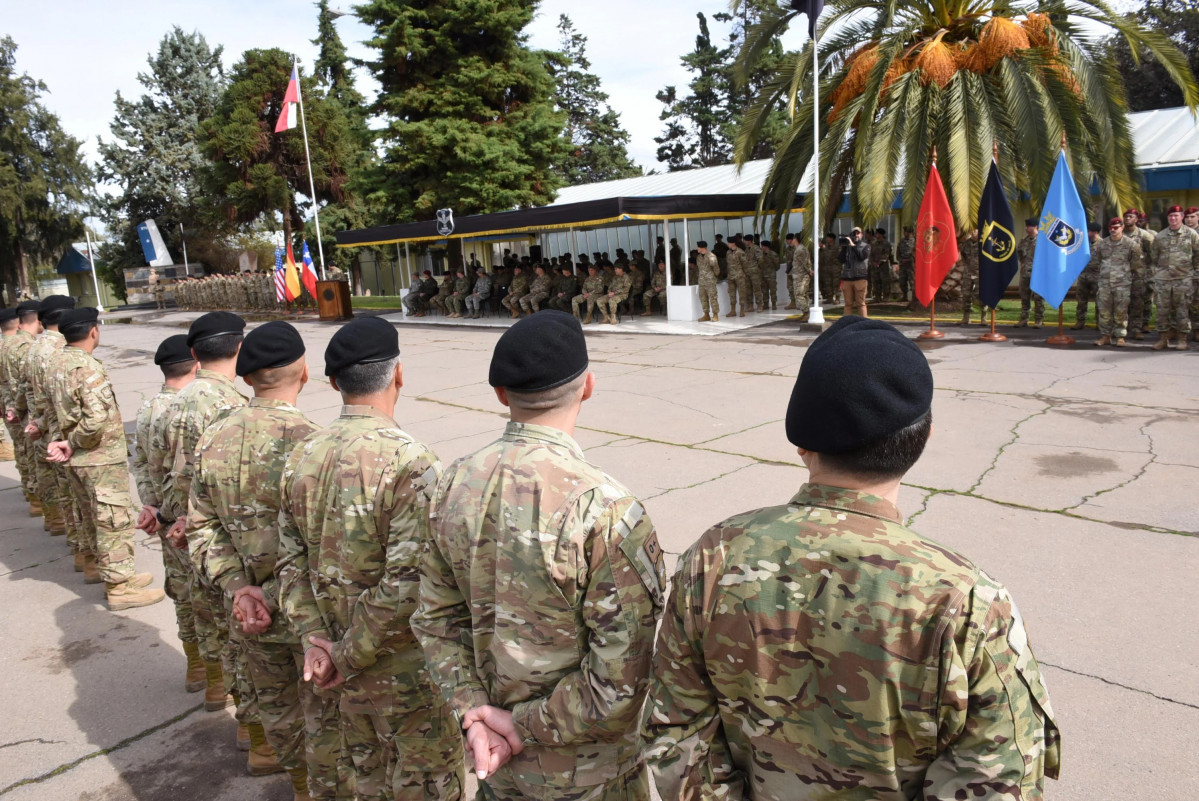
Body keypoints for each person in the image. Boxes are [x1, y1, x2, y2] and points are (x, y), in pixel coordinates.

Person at [644, 315, 1062, 800]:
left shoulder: (712, 558)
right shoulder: (964, 601)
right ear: (923, 439)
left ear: (802, 444)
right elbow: (997, 780)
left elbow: (677, 730)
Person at [413, 311, 665, 801]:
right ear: (588, 386)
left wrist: (474, 713)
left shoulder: (452, 484)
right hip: (589, 777)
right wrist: (520, 724)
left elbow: (435, 620)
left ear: (502, 394)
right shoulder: (606, 510)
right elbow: (621, 680)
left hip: (495, 761)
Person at [277, 317, 464, 800]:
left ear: (334, 382)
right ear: (399, 374)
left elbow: (289, 563)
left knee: (366, 781)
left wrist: (316, 641)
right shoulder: (412, 462)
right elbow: (407, 583)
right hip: (402, 672)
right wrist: (344, 653)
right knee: (425, 783)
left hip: (334, 665)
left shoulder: (303, 454)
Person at [189, 322, 334, 795]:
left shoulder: (214, 438)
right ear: (305, 372)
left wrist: (240, 589)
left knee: (278, 710)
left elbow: (202, 526)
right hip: (308, 613)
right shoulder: (314, 443)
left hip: (250, 613)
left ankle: (298, 785)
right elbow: (325, 545)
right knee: (326, 714)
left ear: (247, 378)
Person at [159, 312, 248, 722]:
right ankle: (257, 737)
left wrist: (171, 517)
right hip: (221, 536)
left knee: (205, 616)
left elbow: (160, 466)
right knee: (239, 633)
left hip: (183, 531)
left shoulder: (173, 403)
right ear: (240, 347)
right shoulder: (233, 407)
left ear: (195, 354)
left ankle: (214, 686)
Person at [46, 308, 166, 610]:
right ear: (93, 332)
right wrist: (73, 442)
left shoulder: (57, 362)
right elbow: (96, 418)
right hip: (97, 457)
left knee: (92, 517)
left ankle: (110, 573)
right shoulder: (87, 367)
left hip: (80, 461)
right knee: (113, 521)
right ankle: (120, 587)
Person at [132, 335, 203, 690]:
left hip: (163, 520)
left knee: (182, 594)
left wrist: (152, 506)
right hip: (196, 522)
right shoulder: (195, 408)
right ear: (196, 362)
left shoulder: (147, 410)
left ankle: (197, 669)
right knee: (211, 604)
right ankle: (220, 682)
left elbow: (142, 463)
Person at [1, 301, 42, 519]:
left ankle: (30, 491)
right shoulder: (27, 346)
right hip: (25, 409)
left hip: (10, 407)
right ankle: (39, 499)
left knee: (22, 450)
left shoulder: (2, 346)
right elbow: (29, 384)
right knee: (35, 456)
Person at [1149, 204, 1199, 350]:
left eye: (1176, 215)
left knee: (1182, 310)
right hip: (1163, 280)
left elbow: (1197, 255)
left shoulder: (1191, 234)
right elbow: (1154, 257)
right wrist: (1157, 274)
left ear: (1182, 217)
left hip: (1183, 279)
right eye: (1171, 216)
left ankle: (1182, 339)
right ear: (1168, 218)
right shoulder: (1160, 236)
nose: (1173, 218)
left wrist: (1193, 274)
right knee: (1162, 311)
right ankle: (1163, 339)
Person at [1093, 217, 1141, 347]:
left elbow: (1135, 264)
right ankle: (1105, 336)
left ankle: (1120, 336)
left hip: (1122, 283)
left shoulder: (1131, 244)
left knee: (1121, 310)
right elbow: (1098, 261)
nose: (1113, 230)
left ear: (1122, 227)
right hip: (1105, 283)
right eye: (1111, 228)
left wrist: (1123, 274)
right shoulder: (1102, 244)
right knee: (1104, 311)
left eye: (1116, 227)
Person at [1018, 217, 1046, 327]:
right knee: (1024, 297)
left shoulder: (1042, 241)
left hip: (1038, 274)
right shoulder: (1023, 241)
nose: (1026, 228)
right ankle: (1024, 319)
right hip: (1025, 273)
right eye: (1026, 226)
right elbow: (1020, 255)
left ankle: (1038, 320)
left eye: (1028, 226)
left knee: (1038, 298)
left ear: (1035, 227)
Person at [1074, 222, 1103, 329]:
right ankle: (1080, 321)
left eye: (1088, 231)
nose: (1086, 233)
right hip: (1083, 276)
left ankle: (1100, 323)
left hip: (1097, 276)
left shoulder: (1103, 245)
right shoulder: (1083, 244)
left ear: (1095, 232)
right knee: (1081, 300)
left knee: (1099, 301)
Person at [840, 227, 871, 317]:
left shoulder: (866, 246)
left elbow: (861, 257)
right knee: (848, 304)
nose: (856, 235)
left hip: (860, 278)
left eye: (858, 233)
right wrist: (844, 248)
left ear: (861, 234)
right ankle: (846, 325)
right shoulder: (848, 247)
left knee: (860, 303)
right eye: (854, 233)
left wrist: (853, 246)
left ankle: (864, 324)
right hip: (847, 278)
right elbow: (841, 260)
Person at [957, 229, 979, 325]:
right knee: (966, 295)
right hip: (968, 273)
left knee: (981, 295)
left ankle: (984, 317)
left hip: (979, 273)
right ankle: (966, 317)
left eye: (975, 230)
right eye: (972, 230)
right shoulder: (966, 244)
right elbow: (963, 256)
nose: (973, 232)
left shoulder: (984, 243)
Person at [695, 240, 719, 322]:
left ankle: (715, 315)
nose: (697, 248)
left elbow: (716, 269)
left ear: (703, 248)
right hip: (701, 281)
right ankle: (706, 314)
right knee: (703, 298)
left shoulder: (711, 257)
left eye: (698, 247)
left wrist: (713, 277)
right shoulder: (698, 257)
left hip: (710, 281)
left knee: (713, 298)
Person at [791, 234, 813, 321]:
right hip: (799, 276)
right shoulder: (798, 249)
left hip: (801, 276)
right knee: (803, 294)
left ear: (795, 239)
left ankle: (806, 312)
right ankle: (805, 313)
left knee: (799, 294)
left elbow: (805, 262)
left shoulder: (800, 250)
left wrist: (809, 271)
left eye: (792, 239)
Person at [725, 237, 748, 317]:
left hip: (739, 275)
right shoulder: (728, 252)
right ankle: (733, 310)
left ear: (733, 243)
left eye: (729, 242)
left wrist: (744, 274)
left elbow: (745, 264)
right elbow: (728, 265)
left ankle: (742, 310)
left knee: (741, 293)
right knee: (731, 293)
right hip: (730, 276)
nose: (727, 244)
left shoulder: (740, 252)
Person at [896, 225, 916, 302]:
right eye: (904, 231)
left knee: (912, 281)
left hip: (911, 265)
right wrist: (900, 260)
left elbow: (916, 254)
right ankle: (904, 296)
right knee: (902, 281)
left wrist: (909, 260)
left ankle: (914, 298)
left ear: (910, 232)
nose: (904, 233)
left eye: (906, 231)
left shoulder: (915, 241)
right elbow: (898, 253)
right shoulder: (901, 242)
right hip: (903, 265)